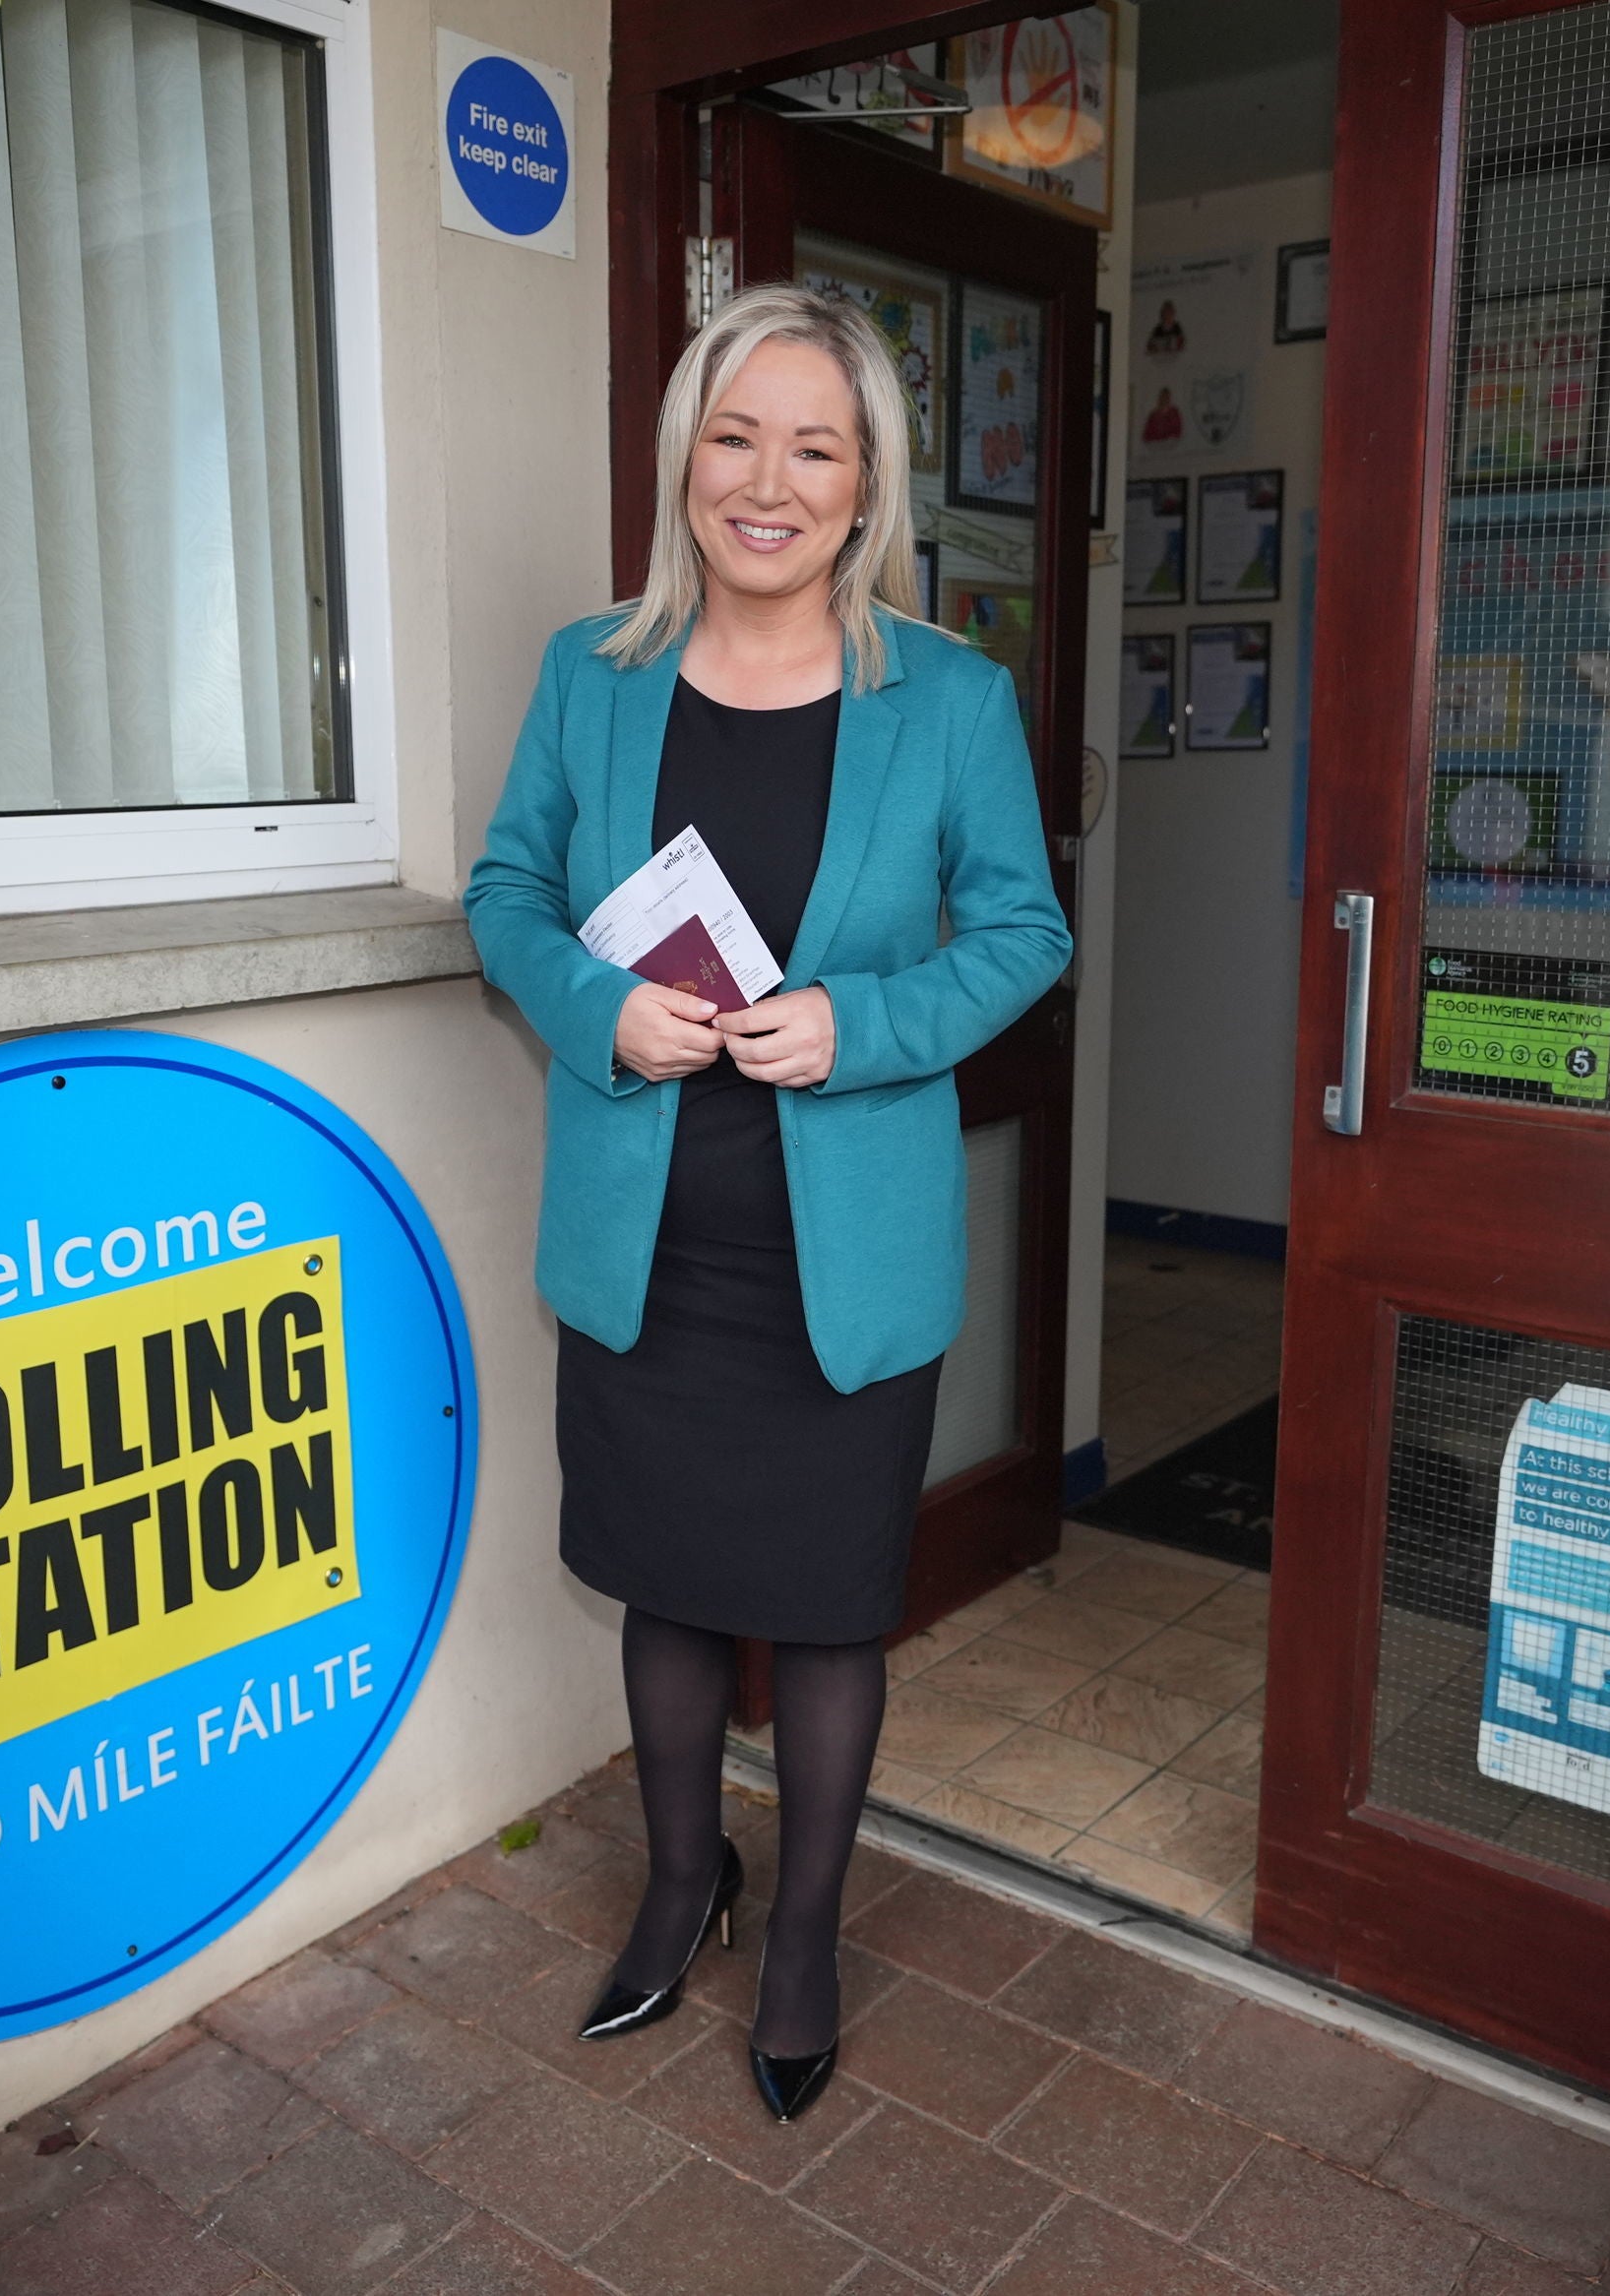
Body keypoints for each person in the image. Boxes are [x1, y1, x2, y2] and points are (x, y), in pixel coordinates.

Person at [464, 285, 1071, 2123]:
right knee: (664, 1582)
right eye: (737, 436)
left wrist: (858, 1022)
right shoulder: (597, 671)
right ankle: (678, 1883)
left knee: (818, 1612)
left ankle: (800, 1934)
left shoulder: (949, 697)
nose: (770, 480)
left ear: (868, 479)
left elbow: (1026, 934)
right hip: (649, 1237)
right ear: (684, 458)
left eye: (816, 444)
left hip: (846, 1251)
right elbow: (504, 897)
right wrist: (599, 1004)